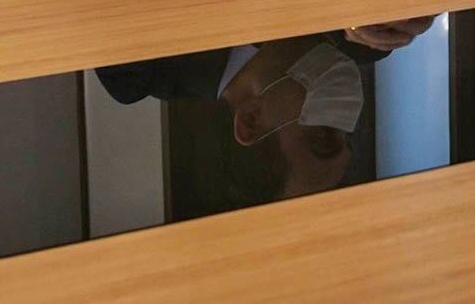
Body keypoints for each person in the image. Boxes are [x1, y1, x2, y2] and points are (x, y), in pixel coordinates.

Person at [96, 22, 429, 211]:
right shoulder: (368, 39)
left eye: (323, 138)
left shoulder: (135, 69)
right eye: (348, 137)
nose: (347, 117)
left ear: (251, 120)